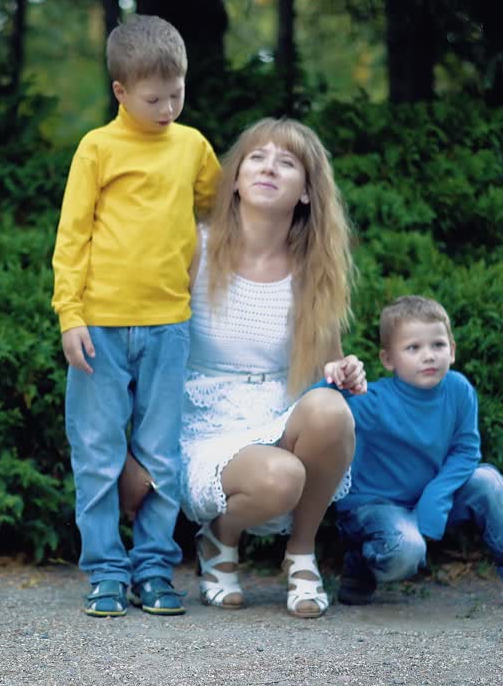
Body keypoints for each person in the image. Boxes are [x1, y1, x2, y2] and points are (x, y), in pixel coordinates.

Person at [123, 116, 366, 619]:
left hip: (278, 409)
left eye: (287, 162)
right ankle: (218, 538)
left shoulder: (314, 269)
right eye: (257, 156)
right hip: (203, 421)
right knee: (279, 478)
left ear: (306, 191)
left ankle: (301, 554)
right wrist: (136, 440)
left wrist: (345, 371)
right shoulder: (197, 247)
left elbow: (327, 364)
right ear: (234, 178)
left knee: (332, 411)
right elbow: (144, 343)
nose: (269, 167)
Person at [51, 15, 222, 618]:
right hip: (99, 326)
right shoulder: (98, 148)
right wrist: (69, 315)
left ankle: (154, 568)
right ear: (121, 92)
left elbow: (213, 213)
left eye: (177, 94)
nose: (168, 108)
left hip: (169, 324)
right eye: (154, 98)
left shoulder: (193, 147)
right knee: (98, 450)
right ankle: (104, 568)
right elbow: (72, 237)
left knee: (160, 453)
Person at [332, 295, 503, 617]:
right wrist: (335, 375)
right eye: (413, 348)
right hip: (376, 507)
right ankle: (361, 563)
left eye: (438, 345)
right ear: (388, 359)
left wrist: (435, 497)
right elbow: (316, 406)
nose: (429, 356)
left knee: (488, 480)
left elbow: (466, 450)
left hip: (429, 498)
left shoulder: (458, 389)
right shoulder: (371, 399)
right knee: (405, 550)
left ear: (452, 349)